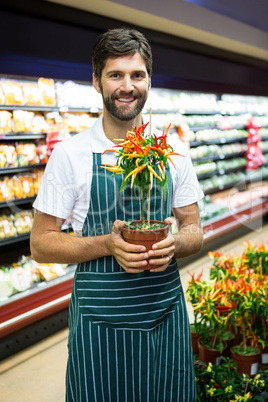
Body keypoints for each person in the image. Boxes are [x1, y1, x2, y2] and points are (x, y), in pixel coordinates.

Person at [30, 27, 204, 402]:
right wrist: (108, 245)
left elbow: (194, 229)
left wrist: (176, 243)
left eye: (137, 75)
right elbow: (41, 245)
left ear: (149, 81)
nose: (128, 86)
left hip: (165, 320)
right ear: (97, 81)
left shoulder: (173, 152)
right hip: (99, 328)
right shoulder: (70, 155)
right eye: (116, 75)